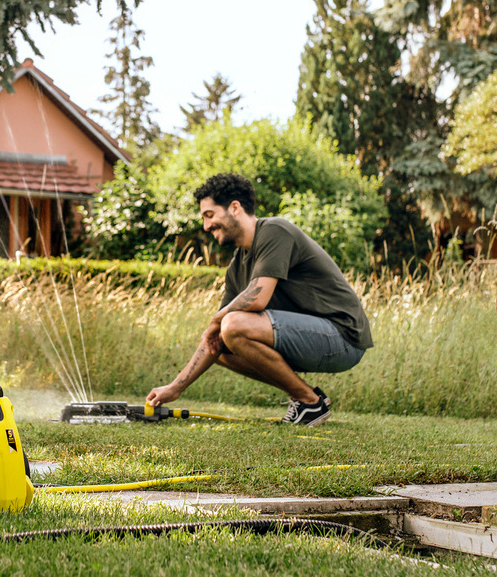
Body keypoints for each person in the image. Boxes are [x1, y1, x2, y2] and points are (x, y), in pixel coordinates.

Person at [144, 173, 372, 426]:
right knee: (219, 347)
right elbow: (216, 336)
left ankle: (308, 402)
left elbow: (258, 297)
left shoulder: (274, 230)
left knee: (231, 326)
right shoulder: (237, 266)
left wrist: (217, 320)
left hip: (343, 337)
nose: (206, 226)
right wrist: (175, 388)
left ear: (234, 207)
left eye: (209, 215)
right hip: (311, 339)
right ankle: (308, 400)